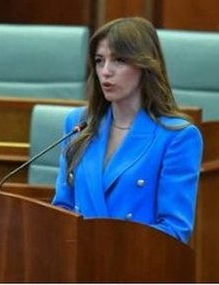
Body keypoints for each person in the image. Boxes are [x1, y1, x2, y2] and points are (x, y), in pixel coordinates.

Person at [52, 16, 204, 243]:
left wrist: (111, 247)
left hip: (138, 259)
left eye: (119, 60)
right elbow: (62, 208)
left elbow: (175, 230)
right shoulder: (78, 124)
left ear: (145, 65)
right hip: (80, 258)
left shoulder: (178, 137)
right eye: (99, 60)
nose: (106, 71)